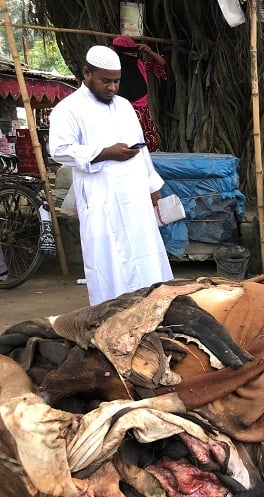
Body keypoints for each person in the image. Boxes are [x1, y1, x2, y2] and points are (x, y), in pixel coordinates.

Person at [49, 45, 173, 306]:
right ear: (87, 73)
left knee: (145, 253)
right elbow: (59, 150)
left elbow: (142, 148)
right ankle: (110, 314)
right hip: (100, 197)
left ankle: (151, 307)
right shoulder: (69, 109)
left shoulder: (125, 106)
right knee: (109, 259)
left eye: (116, 81)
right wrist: (104, 152)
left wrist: (153, 185)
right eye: (106, 81)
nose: (112, 87)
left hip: (134, 195)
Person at [111, 36, 167, 151]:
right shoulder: (112, 69)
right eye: (128, 55)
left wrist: (149, 51)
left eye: (134, 54)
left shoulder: (139, 64)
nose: (132, 57)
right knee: (129, 146)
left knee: (147, 146)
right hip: (124, 112)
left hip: (143, 112)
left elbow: (161, 62)